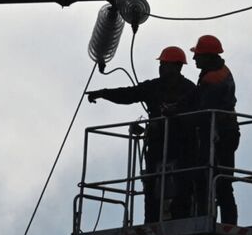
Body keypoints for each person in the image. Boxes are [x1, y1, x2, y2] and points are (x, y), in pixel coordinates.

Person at [86, 46, 196, 222]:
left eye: (164, 64)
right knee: (152, 182)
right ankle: (152, 220)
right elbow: (128, 94)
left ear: (176, 66)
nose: (161, 68)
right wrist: (103, 93)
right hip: (158, 143)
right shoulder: (155, 87)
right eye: (161, 64)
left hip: (181, 144)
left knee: (181, 182)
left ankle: (180, 216)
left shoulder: (189, 90)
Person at [189, 34, 240, 224]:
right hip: (227, 130)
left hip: (217, 133)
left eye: (198, 55)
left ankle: (204, 217)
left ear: (208, 56)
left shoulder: (212, 79)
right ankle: (228, 222)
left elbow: (203, 108)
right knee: (223, 180)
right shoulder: (221, 72)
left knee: (205, 177)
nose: (194, 58)